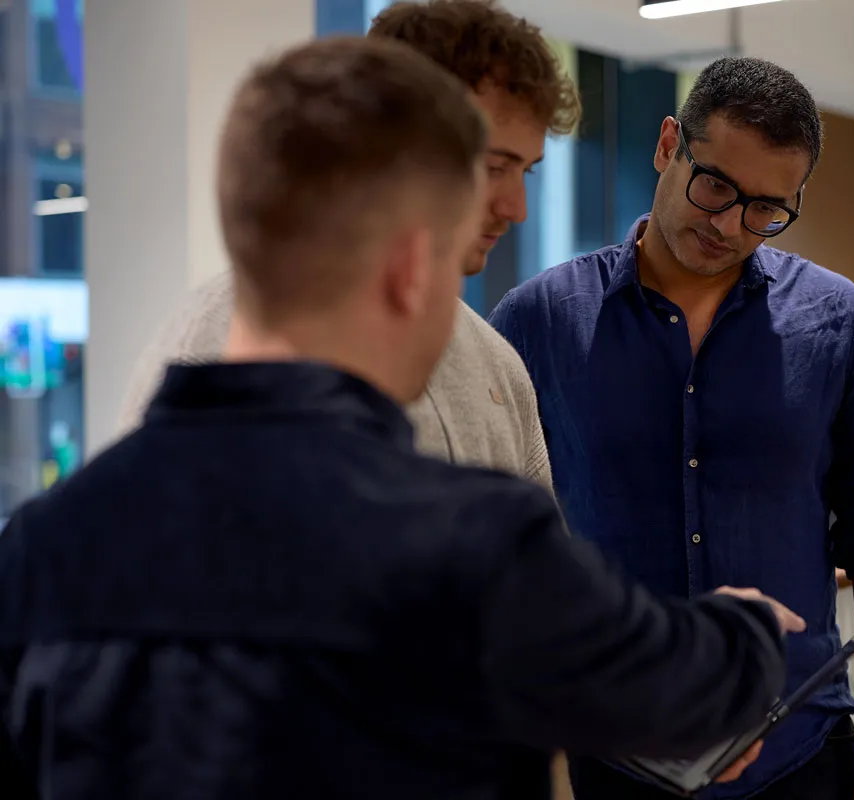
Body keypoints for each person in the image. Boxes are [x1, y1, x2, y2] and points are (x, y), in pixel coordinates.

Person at [0, 37, 806, 800]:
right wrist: (746, 632)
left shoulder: (43, 547)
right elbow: (662, 684)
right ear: (411, 267)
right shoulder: (470, 544)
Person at [489, 57, 854, 800]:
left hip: (797, 752)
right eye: (716, 187)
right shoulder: (540, 321)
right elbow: (497, 543)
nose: (729, 225)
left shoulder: (840, 324)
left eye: (767, 208)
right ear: (669, 145)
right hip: (608, 753)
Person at [117, 0, 577, 495]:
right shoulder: (219, 341)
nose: (516, 208)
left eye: (525, 171)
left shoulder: (498, 366)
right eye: (493, 167)